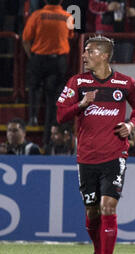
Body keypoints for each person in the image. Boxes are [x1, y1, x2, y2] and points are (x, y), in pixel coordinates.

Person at [56, 35, 135, 254]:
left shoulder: (125, 83)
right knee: (92, 211)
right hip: (86, 156)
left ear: (104, 55)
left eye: (89, 51)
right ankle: (98, 252)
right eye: (84, 52)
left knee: (108, 206)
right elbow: (61, 115)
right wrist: (82, 105)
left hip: (115, 155)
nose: (84, 56)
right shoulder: (78, 82)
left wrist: (131, 123)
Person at [22, 0, 74, 149]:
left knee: (34, 88)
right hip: (58, 62)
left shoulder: (37, 15)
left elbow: (25, 39)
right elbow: (70, 35)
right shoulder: (68, 16)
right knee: (53, 102)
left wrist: (32, 57)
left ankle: (32, 117)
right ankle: (47, 140)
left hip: (39, 58)